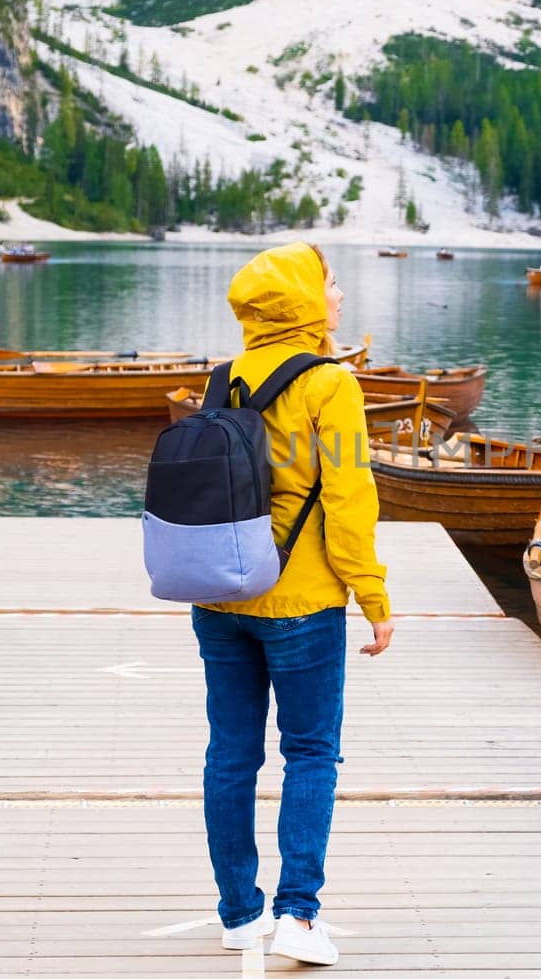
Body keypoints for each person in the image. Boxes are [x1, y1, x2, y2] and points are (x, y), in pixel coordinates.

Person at [193, 242, 393, 966]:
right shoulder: (330, 384)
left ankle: (239, 914)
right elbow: (347, 497)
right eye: (329, 283)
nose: (338, 295)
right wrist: (372, 594)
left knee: (230, 754)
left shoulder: (221, 378)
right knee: (311, 751)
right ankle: (298, 917)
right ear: (303, 302)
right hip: (302, 602)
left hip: (218, 594)